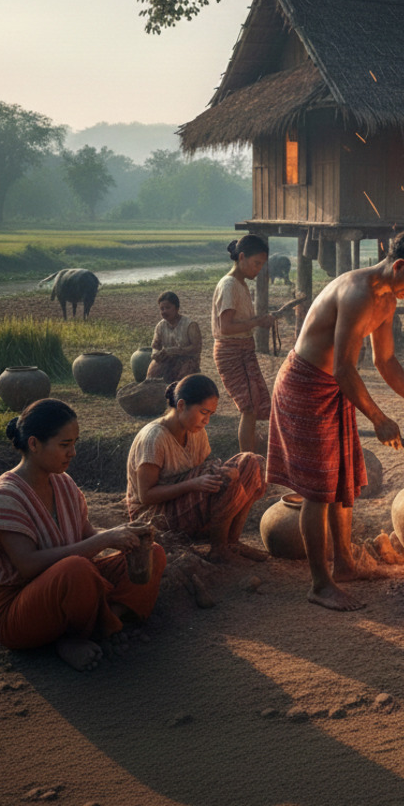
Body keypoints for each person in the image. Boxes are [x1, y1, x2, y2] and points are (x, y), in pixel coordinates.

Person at [266, 228, 404, 611]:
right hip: (305, 384)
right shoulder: (356, 293)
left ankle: (345, 565)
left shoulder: (387, 302)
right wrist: (379, 418)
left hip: (336, 387)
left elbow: (385, 361)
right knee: (319, 489)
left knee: (342, 479)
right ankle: (320, 583)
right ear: (398, 266)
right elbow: (344, 368)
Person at [0, 400, 166, 672]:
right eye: (64, 445)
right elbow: (27, 566)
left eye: (74, 443)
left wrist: (127, 542)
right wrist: (104, 540)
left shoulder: (63, 482)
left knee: (153, 554)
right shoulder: (4, 496)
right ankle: (68, 639)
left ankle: (102, 622)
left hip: (69, 581)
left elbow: (89, 539)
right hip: (18, 609)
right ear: (34, 444)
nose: (73, 453)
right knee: (76, 568)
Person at [126, 374, 267, 562]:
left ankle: (231, 542)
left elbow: (205, 469)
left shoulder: (196, 432)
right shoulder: (154, 438)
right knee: (221, 479)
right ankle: (218, 549)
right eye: (203, 412)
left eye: (210, 414)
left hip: (185, 504)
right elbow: (146, 496)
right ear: (182, 405)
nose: (206, 420)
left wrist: (228, 474)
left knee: (253, 462)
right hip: (152, 516)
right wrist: (194, 484)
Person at [212, 234, 276, 453]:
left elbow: (240, 322)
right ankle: (246, 458)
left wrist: (259, 322)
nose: (259, 269)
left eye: (262, 264)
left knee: (257, 403)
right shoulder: (229, 285)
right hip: (231, 351)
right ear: (241, 257)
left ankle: (254, 453)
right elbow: (225, 327)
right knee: (248, 407)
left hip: (244, 349)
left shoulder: (240, 284)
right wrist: (257, 321)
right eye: (256, 263)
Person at [146, 290, 202, 383]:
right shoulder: (160, 326)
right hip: (168, 360)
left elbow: (196, 347)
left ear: (176, 308)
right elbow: (155, 346)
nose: (164, 311)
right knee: (152, 373)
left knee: (181, 381)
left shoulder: (190, 325)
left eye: (168, 307)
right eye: (162, 309)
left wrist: (176, 351)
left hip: (188, 360)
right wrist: (155, 353)